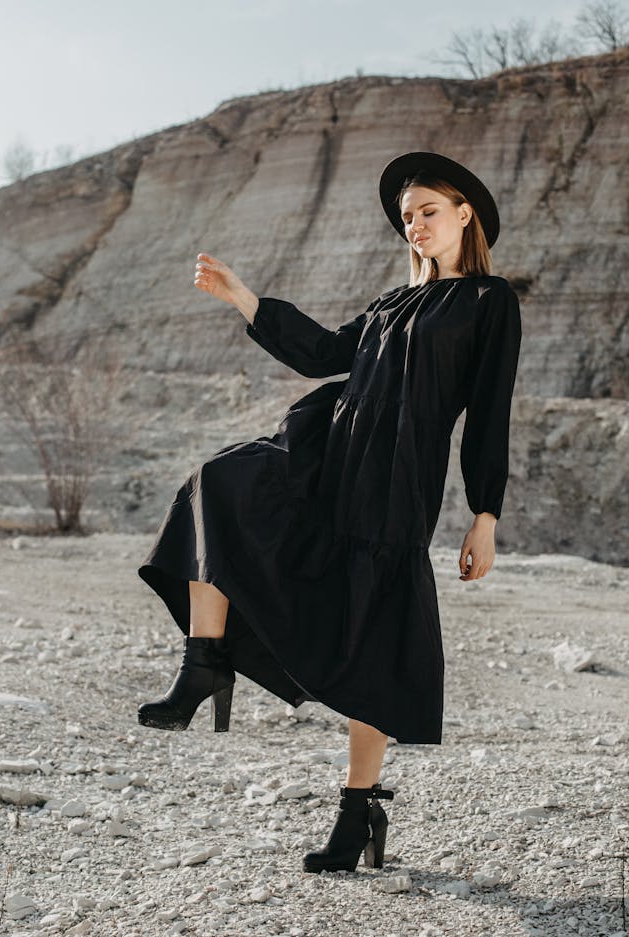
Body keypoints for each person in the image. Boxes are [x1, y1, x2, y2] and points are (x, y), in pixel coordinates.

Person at [136, 150, 522, 874]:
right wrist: (244, 298)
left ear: (465, 212)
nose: (415, 227)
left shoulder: (489, 302)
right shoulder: (388, 304)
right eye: (407, 218)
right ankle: (204, 660)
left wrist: (485, 513)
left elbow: (490, 413)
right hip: (331, 454)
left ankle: (358, 809)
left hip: (397, 480)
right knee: (218, 484)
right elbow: (322, 352)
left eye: (428, 212)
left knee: (373, 639)